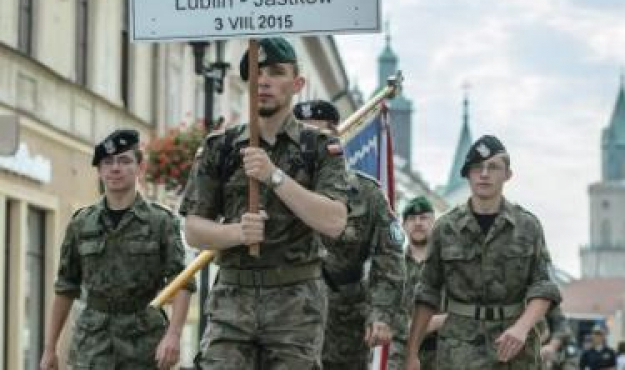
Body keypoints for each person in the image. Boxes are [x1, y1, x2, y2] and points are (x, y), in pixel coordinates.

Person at [180, 37, 349, 369]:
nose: (265, 81)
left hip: (295, 305)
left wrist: (274, 176)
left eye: (276, 72)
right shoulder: (222, 147)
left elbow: (334, 221)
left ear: (297, 84)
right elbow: (193, 230)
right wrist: (237, 234)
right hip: (232, 299)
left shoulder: (319, 148)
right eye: (257, 72)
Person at [39, 129, 194, 370]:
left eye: (124, 161)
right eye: (107, 162)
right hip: (92, 344)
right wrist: (50, 348)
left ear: (140, 168)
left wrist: (173, 335)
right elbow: (65, 286)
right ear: (99, 171)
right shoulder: (81, 223)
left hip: (144, 343)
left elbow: (182, 282)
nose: (115, 168)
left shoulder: (161, 222)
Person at [406, 135, 561, 369]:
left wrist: (522, 327)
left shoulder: (527, 226)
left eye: (494, 167)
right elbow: (427, 292)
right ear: (467, 175)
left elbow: (544, 286)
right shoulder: (446, 228)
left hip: (514, 350)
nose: (485, 173)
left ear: (508, 175)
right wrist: (412, 353)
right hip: (459, 351)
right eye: (477, 167)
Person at [293, 99, 405, 370]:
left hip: (344, 321)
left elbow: (388, 257)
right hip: (285, 312)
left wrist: (381, 314)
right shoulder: (273, 189)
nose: (312, 143)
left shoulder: (367, 194)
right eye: (304, 134)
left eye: (322, 134)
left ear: (336, 136)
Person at [390, 196, 446, 370]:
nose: (418, 223)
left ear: (434, 222)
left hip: (438, 354)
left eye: (424, 218)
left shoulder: (448, 265)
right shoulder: (391, 264)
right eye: (412, 219)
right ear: (404, 225)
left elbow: (461, 311)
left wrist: (429, 324)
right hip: (397, 353)